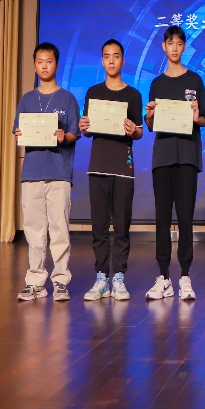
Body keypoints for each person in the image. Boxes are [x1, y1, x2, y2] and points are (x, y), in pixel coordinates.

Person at [144, 26, 205, 301]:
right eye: (170, 43)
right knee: (162, 218)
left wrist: (196, 116)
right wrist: (149, 115)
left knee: (185, 218)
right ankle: (163, 277)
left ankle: (185, 276)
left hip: (187, 157)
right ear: (164, 46)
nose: (174, 48)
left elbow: (203, 120)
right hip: (163, 157)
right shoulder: (157, 84)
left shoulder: (195, 80)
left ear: (184, 47)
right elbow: (150, 124)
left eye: (179, 43)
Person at [14, 42, 81, 301]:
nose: (44, 66)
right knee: (34, 229)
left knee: (59, 228)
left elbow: (74, 133)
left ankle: (61, 280)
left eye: (49, 61)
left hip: (59, 172)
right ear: (34, 66)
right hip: (31, 172)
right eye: (40, 62)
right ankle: (35, 282)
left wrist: (64, 136)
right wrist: (20, 134)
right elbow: (19, 130)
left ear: (56, 64)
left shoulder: (67, 98)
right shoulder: (27, 99)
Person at [79, 39, 144, 301]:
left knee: (122, 226)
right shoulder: (93, 92)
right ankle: (101, 277)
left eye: (116, 56)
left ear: (123, 60)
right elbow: (87, 130)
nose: (111, 61)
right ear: (102, 61)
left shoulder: (133, 95)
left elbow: (139, 132)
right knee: (99, 226)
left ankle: (118, 277)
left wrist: (133, 130)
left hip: (123, 168)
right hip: (98, 166)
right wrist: (84, 127)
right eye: (107, 56)